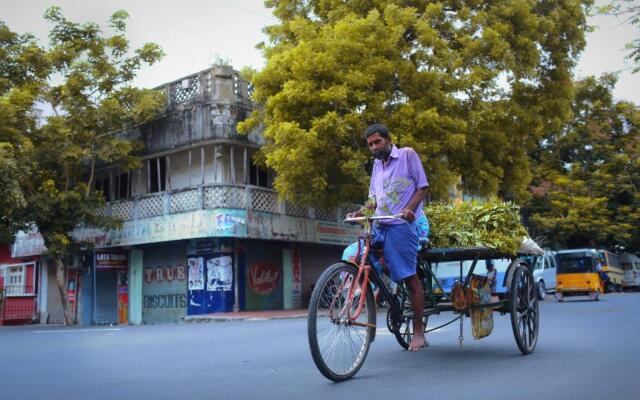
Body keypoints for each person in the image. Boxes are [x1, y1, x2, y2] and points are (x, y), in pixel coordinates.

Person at [349, 123, 429, 351]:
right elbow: (373, 200)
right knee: (357, 258)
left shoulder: (407, 155)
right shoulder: (376, 166)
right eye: (370, 144)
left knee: (409, 277)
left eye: (377, 142)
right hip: (379, 224)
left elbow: (422, 187)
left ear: (388, 139)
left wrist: (410, 208)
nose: (374, 147)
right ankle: (384, 295)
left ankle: (418, 332)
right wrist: (360, 212)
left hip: (402, 224)